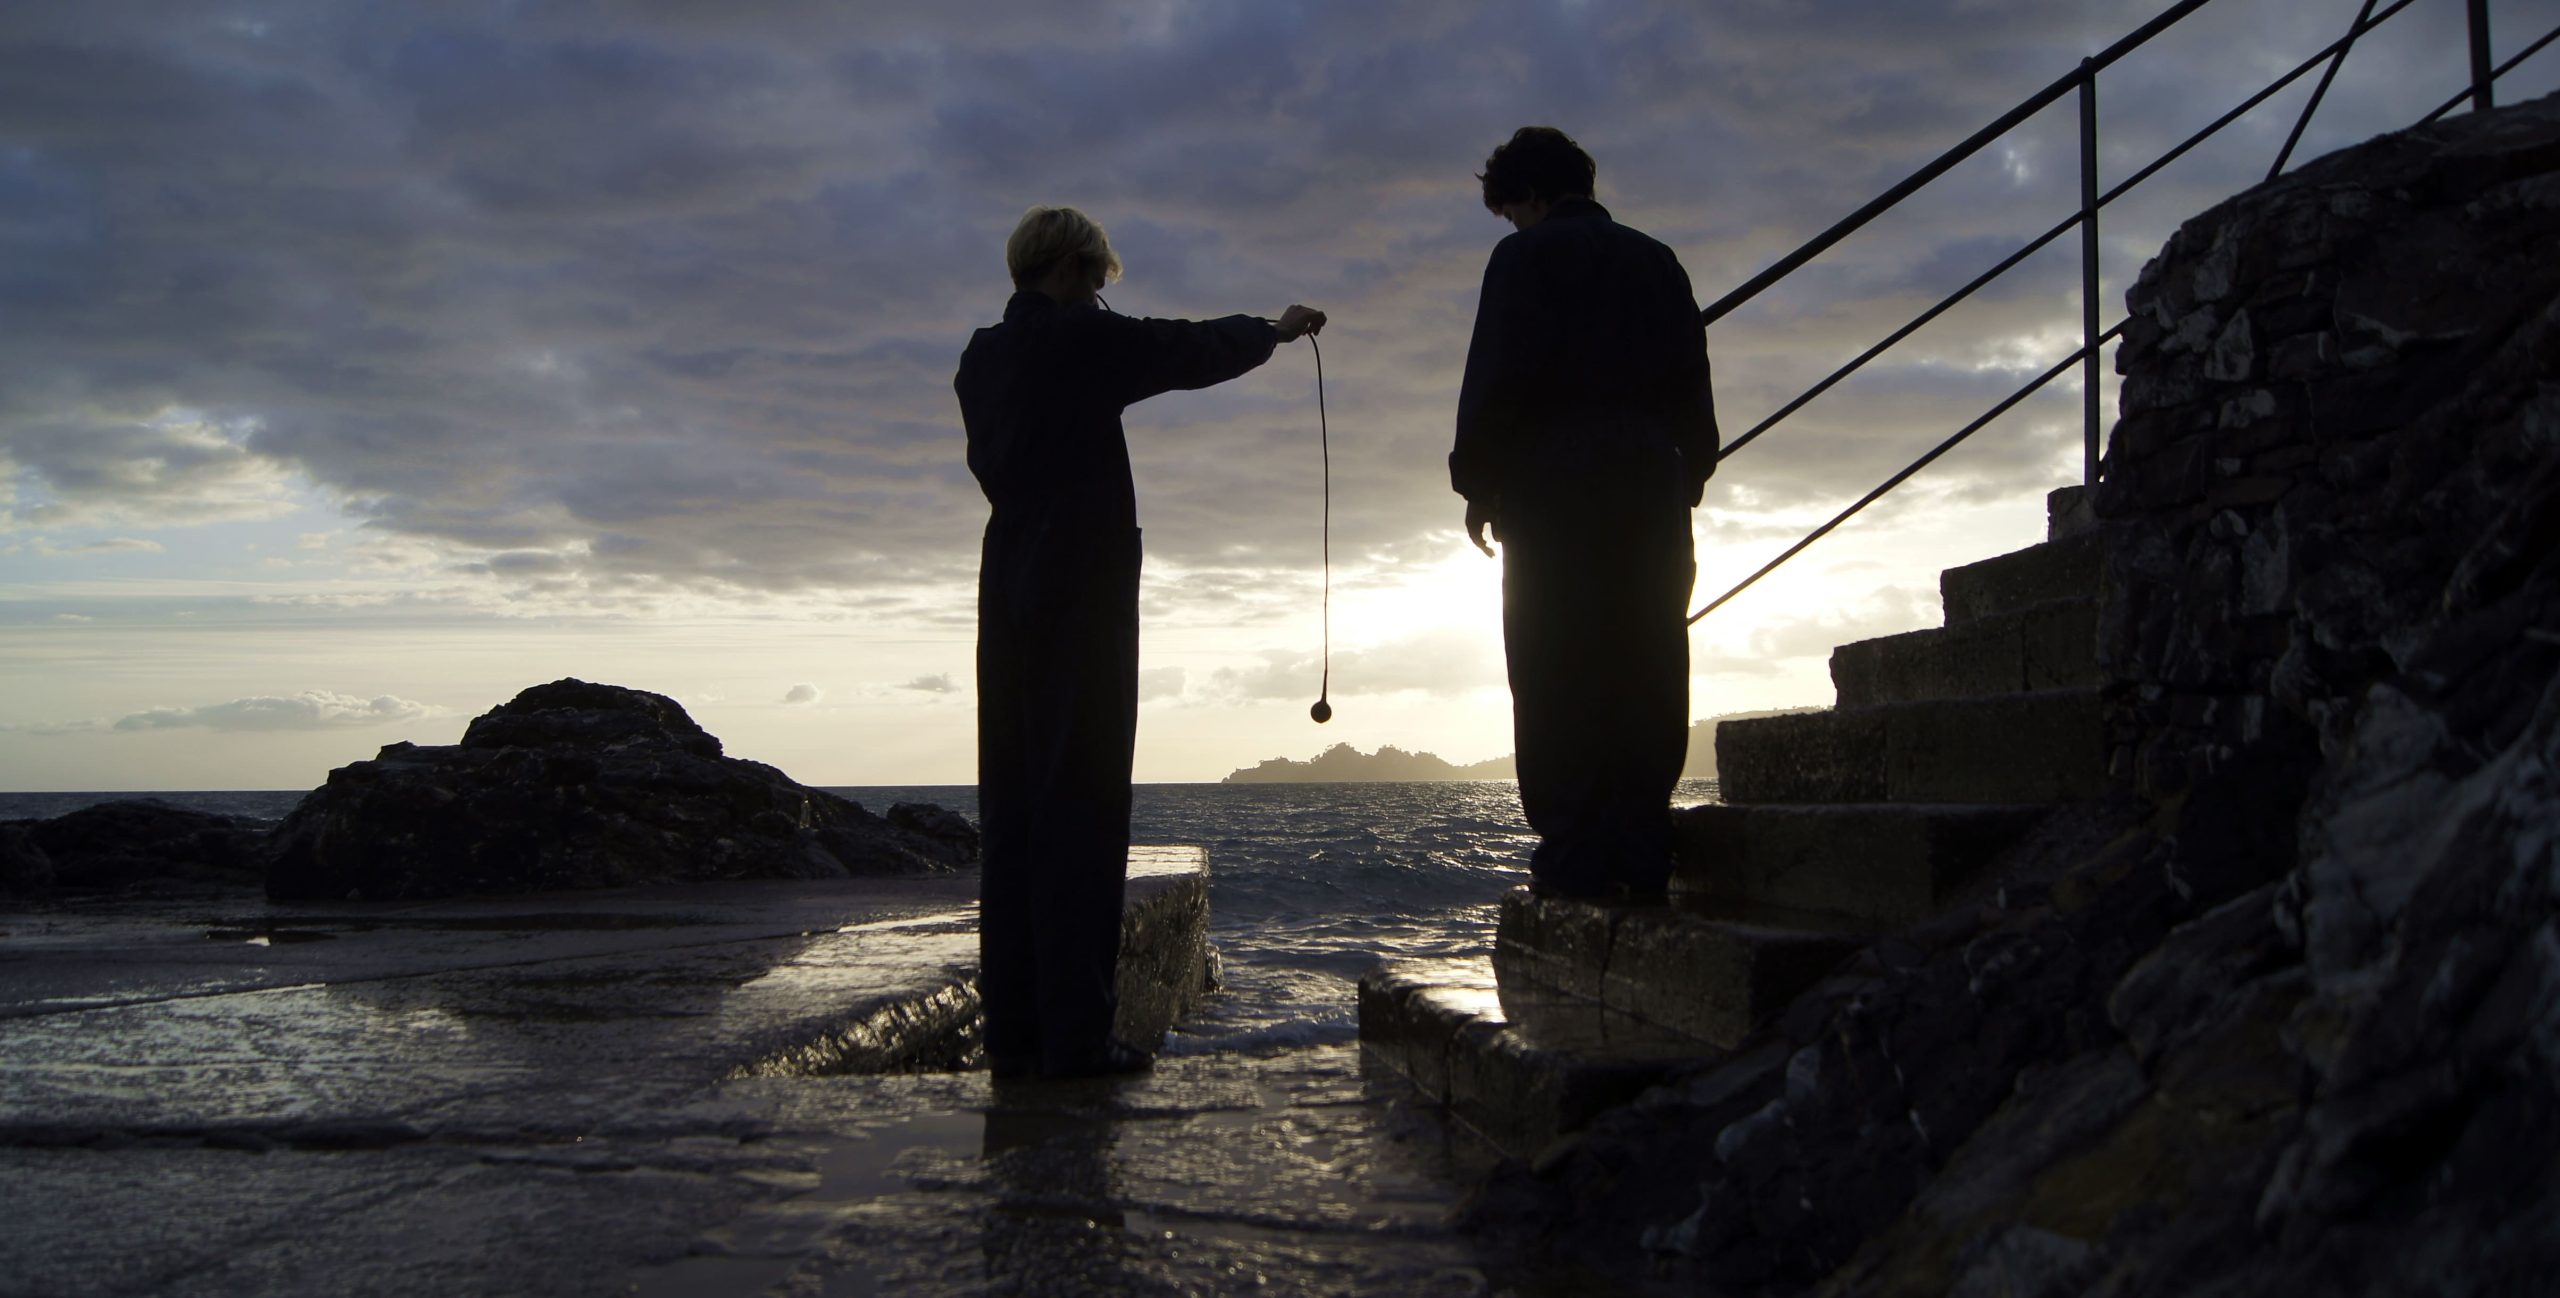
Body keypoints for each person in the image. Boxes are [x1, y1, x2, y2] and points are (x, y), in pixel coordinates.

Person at [956, 205, 1325, 1079]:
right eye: (1095, 277)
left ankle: (1014, 1032)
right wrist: (1271, 330)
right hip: (1078, 584)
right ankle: (1078, 1038)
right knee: (1081, 801)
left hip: (1006, 580)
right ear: (1076, 270)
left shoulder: (984, 356)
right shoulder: (1079, 343)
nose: (1099, 292)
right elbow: (1179, 348)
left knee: (1012, 805)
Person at [1451, 126, 1720, 902]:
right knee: (1647, 655)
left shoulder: (1522, 260)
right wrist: (1687, 477)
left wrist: (1478, 485)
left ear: (1531, 194)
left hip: (1551, 493)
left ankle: (1573, 852)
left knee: (1553, 662)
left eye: (1510, 211)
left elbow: (1494, 376)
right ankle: (1641, 843)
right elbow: (1691, 384)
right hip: (1648, 485)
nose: (1512, 226)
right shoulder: (1656, 259)